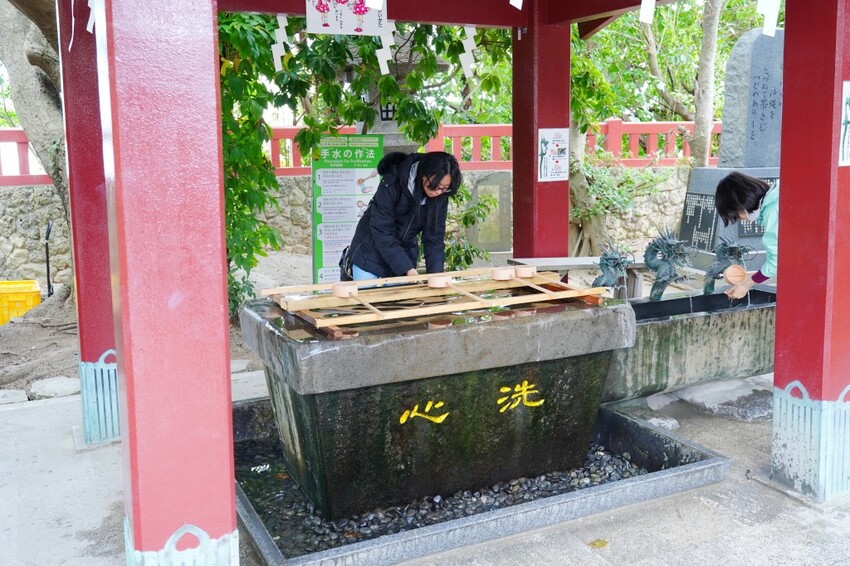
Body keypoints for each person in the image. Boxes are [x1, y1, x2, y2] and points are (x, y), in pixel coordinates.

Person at [340, 151, 461, 281]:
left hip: (404, 254)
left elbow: (434, 238)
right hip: (369, 254)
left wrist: (436, 276)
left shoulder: (441, 196)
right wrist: (406, 269)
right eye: (434, 186)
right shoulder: (392, 182)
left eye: (445, 188)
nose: (438, 192)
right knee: (368, 292)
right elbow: (382, 230)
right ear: (423, 174)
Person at [714, 171, 779, 299]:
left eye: (736, 216)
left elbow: (776, 262)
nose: (742, 219)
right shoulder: (778, 193)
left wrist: (745, 285)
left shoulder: (773, 211)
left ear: (741, 204)